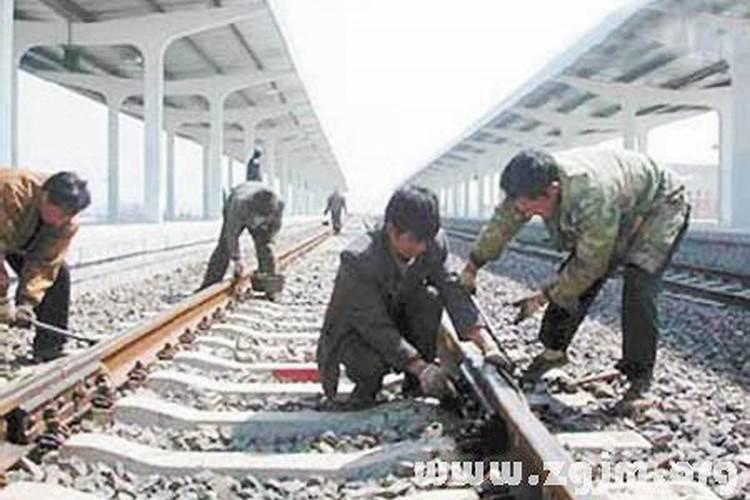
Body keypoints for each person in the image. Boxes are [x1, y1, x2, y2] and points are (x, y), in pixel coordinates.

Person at [461, 147, 690, 401]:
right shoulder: (526, 187)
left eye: (533, 209)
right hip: (623, 204)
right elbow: (501, 225)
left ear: (553, 190)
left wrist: (543, 296)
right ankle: (553, 353)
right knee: (575, 276)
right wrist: (472, 266)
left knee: (637, 281)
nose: (526, 213)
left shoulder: (591, 195)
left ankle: (638, 374)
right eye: (522, 208)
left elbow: (589, 265)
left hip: (661, 204)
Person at [317, 185, 507, 409]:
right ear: (391, 229)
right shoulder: (359, 259)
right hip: (359, 332)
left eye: (427, 240)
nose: (422, 247)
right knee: (370, 364)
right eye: (415, 240)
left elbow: (451, 288)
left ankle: (414, 385)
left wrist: (486, 343)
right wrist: (421, 367)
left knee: (430, 298)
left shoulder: (431, 243)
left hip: (396, 314)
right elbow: (374, 325)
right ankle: (367, 391)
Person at [0, 169, 91, 362]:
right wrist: (2, 299)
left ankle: (50, 348)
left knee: (59, 275)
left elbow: (45, 264)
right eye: (56, 213)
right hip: (5, 229)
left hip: (17, 238)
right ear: (45, 196)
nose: (58, 222)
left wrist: (27, 303)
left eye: (65, 217)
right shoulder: (10, 190)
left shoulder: (66, 224)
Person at [199, 161, 285, 300]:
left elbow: (275, 227)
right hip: (236, 206)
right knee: (224, 247)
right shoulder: (238, 204)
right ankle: (210, 283)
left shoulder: (278, 205)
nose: (257, 223)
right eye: (257, 219)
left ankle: (271, 288)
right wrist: (237, 259)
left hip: (258, 208)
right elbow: (231, 234)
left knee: (266, 248)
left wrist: (269, 239)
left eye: (262, 220)